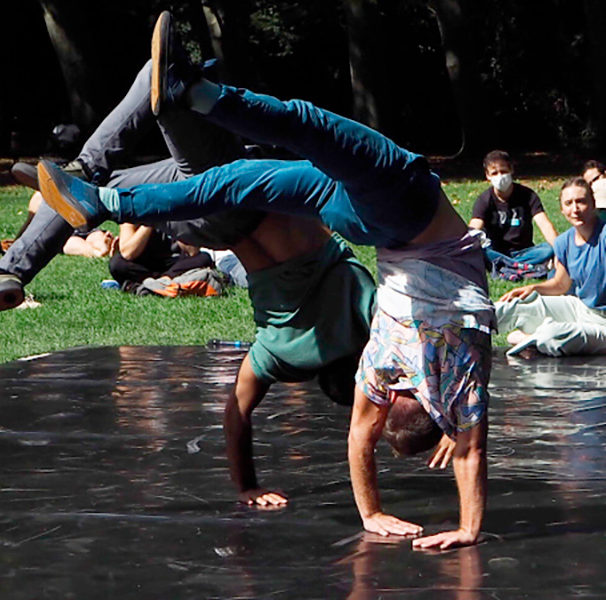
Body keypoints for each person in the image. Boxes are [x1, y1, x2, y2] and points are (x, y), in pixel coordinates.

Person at [36, 11, 495, 549]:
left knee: (301, 136)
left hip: (400, 214)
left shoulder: (431, 366)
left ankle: (163, 135)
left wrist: (425, 488)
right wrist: (445, 517)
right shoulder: (382, 373)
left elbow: (456, 449)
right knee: (248, 176)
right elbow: (368, 436)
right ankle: (115, 191)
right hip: (375, 218)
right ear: (399, 399)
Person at [0, 58, 454, 508]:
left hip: (234, 192)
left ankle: (26, 255)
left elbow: (431, 344)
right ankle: (14, 267)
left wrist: (454, 419)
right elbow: (236, 415)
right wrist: (247, 485)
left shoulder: (364, 314)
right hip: (204, 224)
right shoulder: (279, 353)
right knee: (94, 182)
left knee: (164, 85)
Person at [497, 177, 606, 356]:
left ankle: (532, 338)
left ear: (593, 204)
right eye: (569, 203)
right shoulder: (564, 242)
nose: (575, 209)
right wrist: (533, 287)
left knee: (553, 335)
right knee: (513, 306)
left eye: (581, 202)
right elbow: (561, 285)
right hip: (580, 309)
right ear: (562, 210)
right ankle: (458, 334)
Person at [469, 150, 557, 275]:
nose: (500, 176)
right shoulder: (484, 200)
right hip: (496, 252)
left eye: (503, 171)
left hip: (525, 251)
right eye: (495, 173)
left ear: (511, 170)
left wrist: (560, 250)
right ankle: (522, 266)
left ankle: (506, 266)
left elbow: (544, 224)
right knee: (480, 252)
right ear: (487, 176)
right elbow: (474, 227)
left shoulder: (528, 195)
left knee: (548, 249)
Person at [108, 222, 213, 291]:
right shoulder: (132, 214)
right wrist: (150, 221)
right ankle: (161, 284)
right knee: (117, 264)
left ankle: (152, 284)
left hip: (175, 263)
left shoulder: (181, 209)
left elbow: (192, 252)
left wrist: (177, 221)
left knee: (204, 258)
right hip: (146, 263)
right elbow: (128, 253)